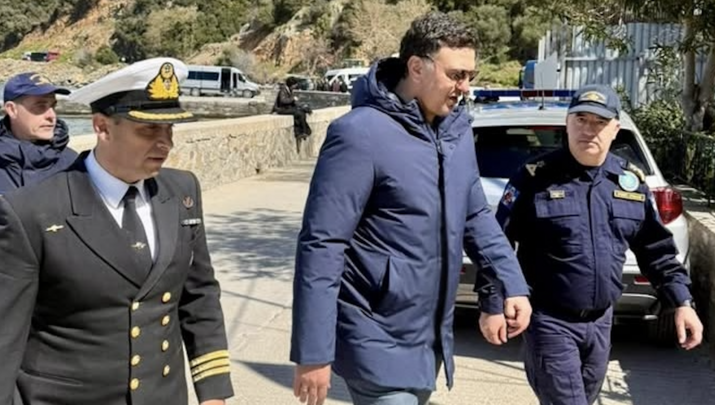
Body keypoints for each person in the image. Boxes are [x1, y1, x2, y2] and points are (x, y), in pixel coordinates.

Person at [291, 12, 531, 405]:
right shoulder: (359, 134)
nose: (465, 87)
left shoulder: (455, 132)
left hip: (429, 340)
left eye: (470, 75)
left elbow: (475, 217)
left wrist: (512, 283)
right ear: (416, 67)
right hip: (373, 336)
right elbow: (322, 244)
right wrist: (313, 351)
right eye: (456, 75)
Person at [0, 57, 234, 405]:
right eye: (148, 130)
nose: (165, 143)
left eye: (169, 129)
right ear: (102, 127)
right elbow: (5, 335)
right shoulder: (32, 211)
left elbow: (199, 295)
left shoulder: (182, 192)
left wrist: (213, 391)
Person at [485, 84, 703, 405]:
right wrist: (492, 303)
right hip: (549, 321)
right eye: (581, 119)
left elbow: (656, 250)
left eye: (599, 122)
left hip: (601, 324)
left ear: (615, 129)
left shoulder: (630, 183)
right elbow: (496, 245)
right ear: (567, 123)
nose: (589, 130)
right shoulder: (534, 178)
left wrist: (682, 302)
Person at [0, 72, 77, 194]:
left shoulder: (72, 163)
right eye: (40, 106)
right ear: (12, 109)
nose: (52, 116)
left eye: (53, 106)